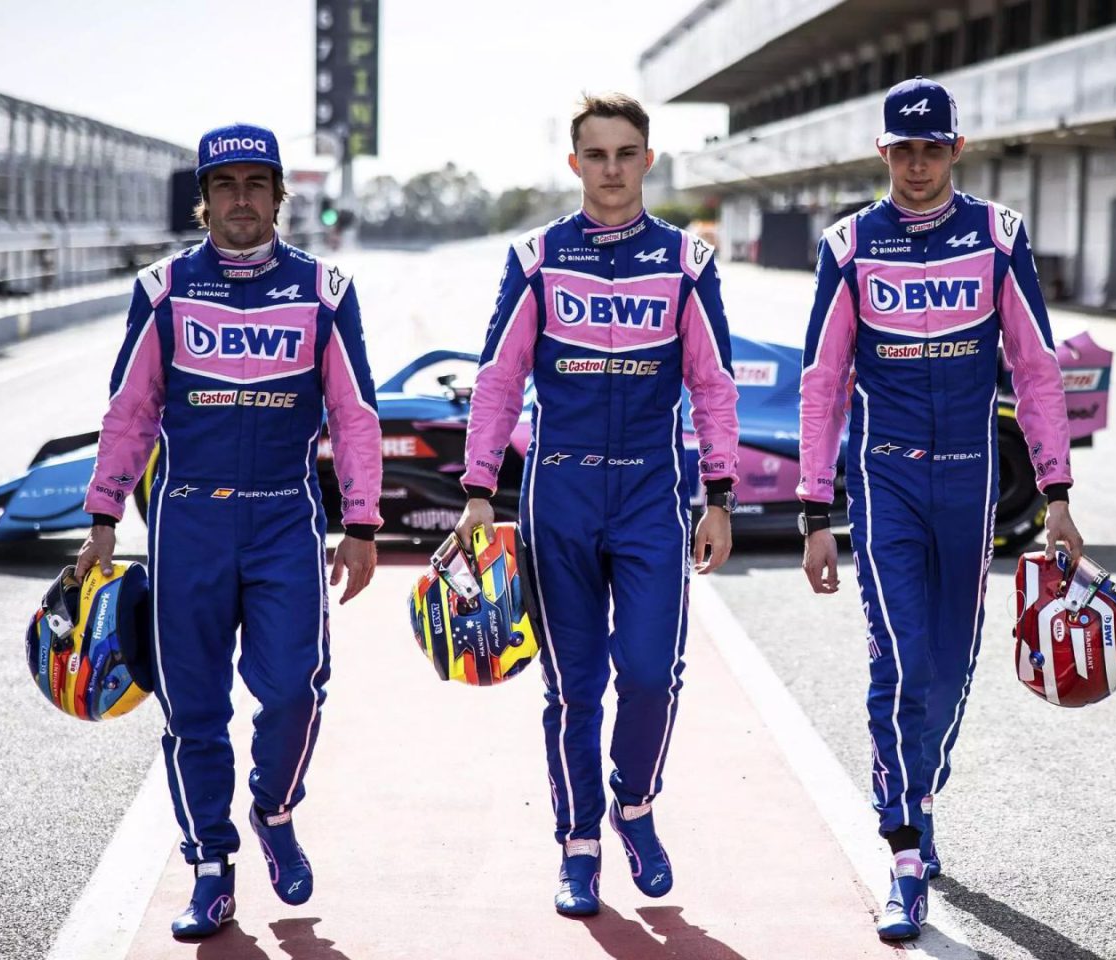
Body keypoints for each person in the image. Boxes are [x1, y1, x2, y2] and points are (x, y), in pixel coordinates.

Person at [74, 123, 382, 940]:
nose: (241, 199)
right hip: (189, 522)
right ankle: (211, 865)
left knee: (291, 692)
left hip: (286, 515)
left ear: (280, 196)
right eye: (225, 184)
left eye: (257, 183)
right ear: (203, 200)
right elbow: (130, 412)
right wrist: (104, 515)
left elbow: (354, 418)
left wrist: (362, 521)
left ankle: (273, 813)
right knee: (193, 709)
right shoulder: (163, 287)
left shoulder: (325, 290)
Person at [796, 77, 1083, 943]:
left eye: (932, 148)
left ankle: (921, 784)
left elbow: (1035, 370)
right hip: (884, 481)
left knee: (952, 669)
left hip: (973, 482)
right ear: (882, 153)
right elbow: (821, 383)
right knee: (903, 656)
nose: (917, 166)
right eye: (902, 150)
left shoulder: (999, 238)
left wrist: (1059, 493)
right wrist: (815, 508)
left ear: (957, 148)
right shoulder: (848, 246)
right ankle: (906, 845)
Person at [455, 92, 740, 917]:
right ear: (573, 163)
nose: (611, 169)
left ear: (648, 160)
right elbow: (500, 380)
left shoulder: (688, 262)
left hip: (653, 491)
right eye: (596, 154)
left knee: (650, 674)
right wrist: (479, 491)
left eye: (626, 154)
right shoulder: (536, 258)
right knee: (574, 689)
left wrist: (717, 493)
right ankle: (578, 847)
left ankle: (635, 805)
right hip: (560, 494)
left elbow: (713, 387)